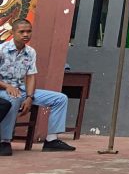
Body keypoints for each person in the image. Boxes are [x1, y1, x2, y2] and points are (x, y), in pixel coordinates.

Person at [0, 18, 75, 155]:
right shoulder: (2, 49)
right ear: (13, 32)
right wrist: (7, 86)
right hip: (3, 90)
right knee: (14, 98)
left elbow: (31, 76)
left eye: (28, 31)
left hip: (22, 89)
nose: (25, 34)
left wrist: (30, 97)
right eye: (21, 32)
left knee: (60, 98)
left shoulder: (30, 52)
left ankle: (51, 140)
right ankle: (4, 141)